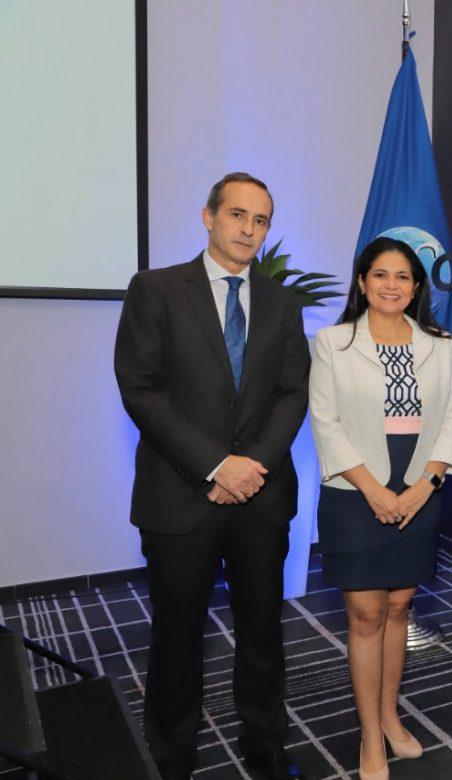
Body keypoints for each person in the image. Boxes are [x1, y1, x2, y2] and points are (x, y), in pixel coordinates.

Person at [114, 172, 310, 780]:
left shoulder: (282, 302)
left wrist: (252, 468)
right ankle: (172, 750)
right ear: (208, 217)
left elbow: (292, 392)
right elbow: (141, 390)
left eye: (261, 221)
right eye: (238, 216)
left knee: (261, 630)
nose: (249, 230)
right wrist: (216, 465)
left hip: (261, 494)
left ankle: (264, 737)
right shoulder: (156, 290)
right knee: (177, 633)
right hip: (180, 494)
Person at [308, 237, 452, 780]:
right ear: (361, 282)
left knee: (400, 607)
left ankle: (389, 716)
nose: (391, 285)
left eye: (403, 276)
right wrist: (373, 489)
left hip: (420, 483)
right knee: (367, 614)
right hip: (355, 490)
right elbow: (325, 424)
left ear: (417, 286)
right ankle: (368, 736)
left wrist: (426, 483)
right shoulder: (333, 343)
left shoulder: (438, 344)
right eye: (380, 275)